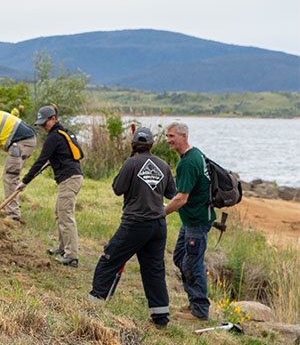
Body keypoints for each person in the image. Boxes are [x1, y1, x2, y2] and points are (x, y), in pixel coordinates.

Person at [88, 127, 176, 328]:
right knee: (154, 269)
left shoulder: (131, 163)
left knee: (109, 259)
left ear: (133, 145)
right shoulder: (163, 165)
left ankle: (94, 304)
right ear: (152, 145)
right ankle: (160, 316)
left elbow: (117, 188)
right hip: (158, 226)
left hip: (134, 224)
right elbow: (172, 193)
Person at [17, 105, 84, 267]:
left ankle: (71, 256)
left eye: (44, 123)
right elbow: (80, 154)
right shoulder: (65, 132)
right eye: (41, 124)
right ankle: (62, 247)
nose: (42, 127)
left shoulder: (55, 136)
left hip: (70, 178)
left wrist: (24, 181)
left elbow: (40, 160)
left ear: (53, 119)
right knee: (59, 212)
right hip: (71, 176)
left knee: (65, 215)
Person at [163, 121, 215, 321]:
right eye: (167, 136)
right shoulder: (195, 154)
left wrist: (162, 212)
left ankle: (199, 311)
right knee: (180, 258)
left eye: (171, 136)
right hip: (192, 220)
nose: (168, 140)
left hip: (197, 221)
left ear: (183, 136)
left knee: (192, 264)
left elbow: (181, 198)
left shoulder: (188, 162)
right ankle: (194, 302)